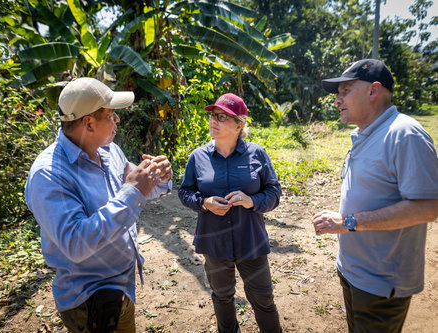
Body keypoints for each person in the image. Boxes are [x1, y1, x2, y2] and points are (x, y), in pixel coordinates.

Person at [25, 77, 172, 333]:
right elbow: (76, 242)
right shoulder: (49, 174)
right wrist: (133, 190)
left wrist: (159, 175)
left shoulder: (110, 150)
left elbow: (138, 186)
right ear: (89, 123)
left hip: (121, 288)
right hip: (89, 301)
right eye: (112, 115)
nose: (118, 120)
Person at [312, 59, 438, 333]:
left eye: (344, 90)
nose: (337, 100)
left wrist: (348, 222)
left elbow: (427, 208)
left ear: (373, 91)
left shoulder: (405, 135)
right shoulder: (364, 133)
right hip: (354, 272)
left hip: (381, 282)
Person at [178, 93, 283, 333]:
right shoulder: (198, 157)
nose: (213, 121)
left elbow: (274, 193)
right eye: (212, 116)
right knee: (222, 297)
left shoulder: (257, 154)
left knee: (263, 299)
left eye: (222, 117)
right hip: (213, 242)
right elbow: (185, 192)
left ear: (240, 124)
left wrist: (251, 201)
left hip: (251, 240)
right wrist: (204, 202)